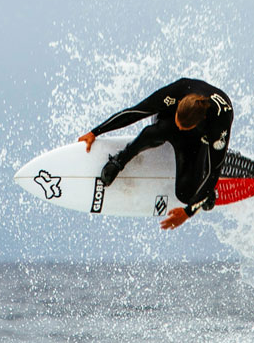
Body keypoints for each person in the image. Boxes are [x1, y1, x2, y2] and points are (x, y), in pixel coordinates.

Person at [78, 78, 233, 230]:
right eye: (179, 123)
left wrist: (188, 211)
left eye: (183, 127)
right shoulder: (177, 91)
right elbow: (135, 112)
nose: (179, 128)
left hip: (198, 140)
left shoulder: (220, 124)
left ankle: (208, 167)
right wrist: (95, 132)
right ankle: (120, 160)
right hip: (167, 121)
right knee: (153, 132)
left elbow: (214, 173)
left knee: (186, 195)